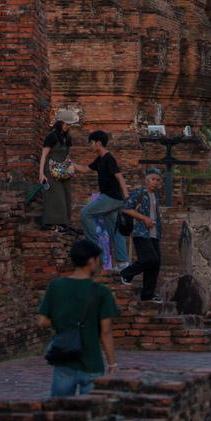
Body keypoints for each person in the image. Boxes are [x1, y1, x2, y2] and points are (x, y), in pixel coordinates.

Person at [37, 238, 118, 396]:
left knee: (61, 411)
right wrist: (112, 363)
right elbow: (106, 332)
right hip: (92, 362)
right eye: (97, 259)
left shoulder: (56, 286)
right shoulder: (101, 292)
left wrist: (63, 322)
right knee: (93, 414)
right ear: (90, 261)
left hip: (65, 360)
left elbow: (42, 321)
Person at [79, 130, 129, 270]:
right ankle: (122, 262)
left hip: (111, 197)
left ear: (98, 143)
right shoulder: (100, 159)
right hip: (110, 199)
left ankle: (96, 253)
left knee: (85, 213)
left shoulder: (108, 158)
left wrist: (127, 198)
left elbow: (120, 177)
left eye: (91, 143)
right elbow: (85, 169)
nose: (90, 146)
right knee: (114, 230)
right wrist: (70, 165)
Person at [117, 169, 164, 301]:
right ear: (147, 180)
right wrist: (144, 218)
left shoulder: (156, 196)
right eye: (152, 179)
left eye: (158, 180)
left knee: (156, 263)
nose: (155, 182)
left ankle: (148, 295)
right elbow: (126, 208)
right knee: (149, 259)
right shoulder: (139, 192)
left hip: (154, 234)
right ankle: (125, 274)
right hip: (141, 232)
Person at [35, 109, 81, 229]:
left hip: (63, 170)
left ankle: (64, 224)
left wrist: (71, 167)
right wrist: (41, 174)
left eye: (69, 125)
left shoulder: (67, 137)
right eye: (66, 124)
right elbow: (44, 155)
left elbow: (67, 155)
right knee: (56, 196)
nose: (67, 127)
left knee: (66, 195)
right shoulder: (51, 136)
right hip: (50, 170)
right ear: (60, 123)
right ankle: (53, 223)